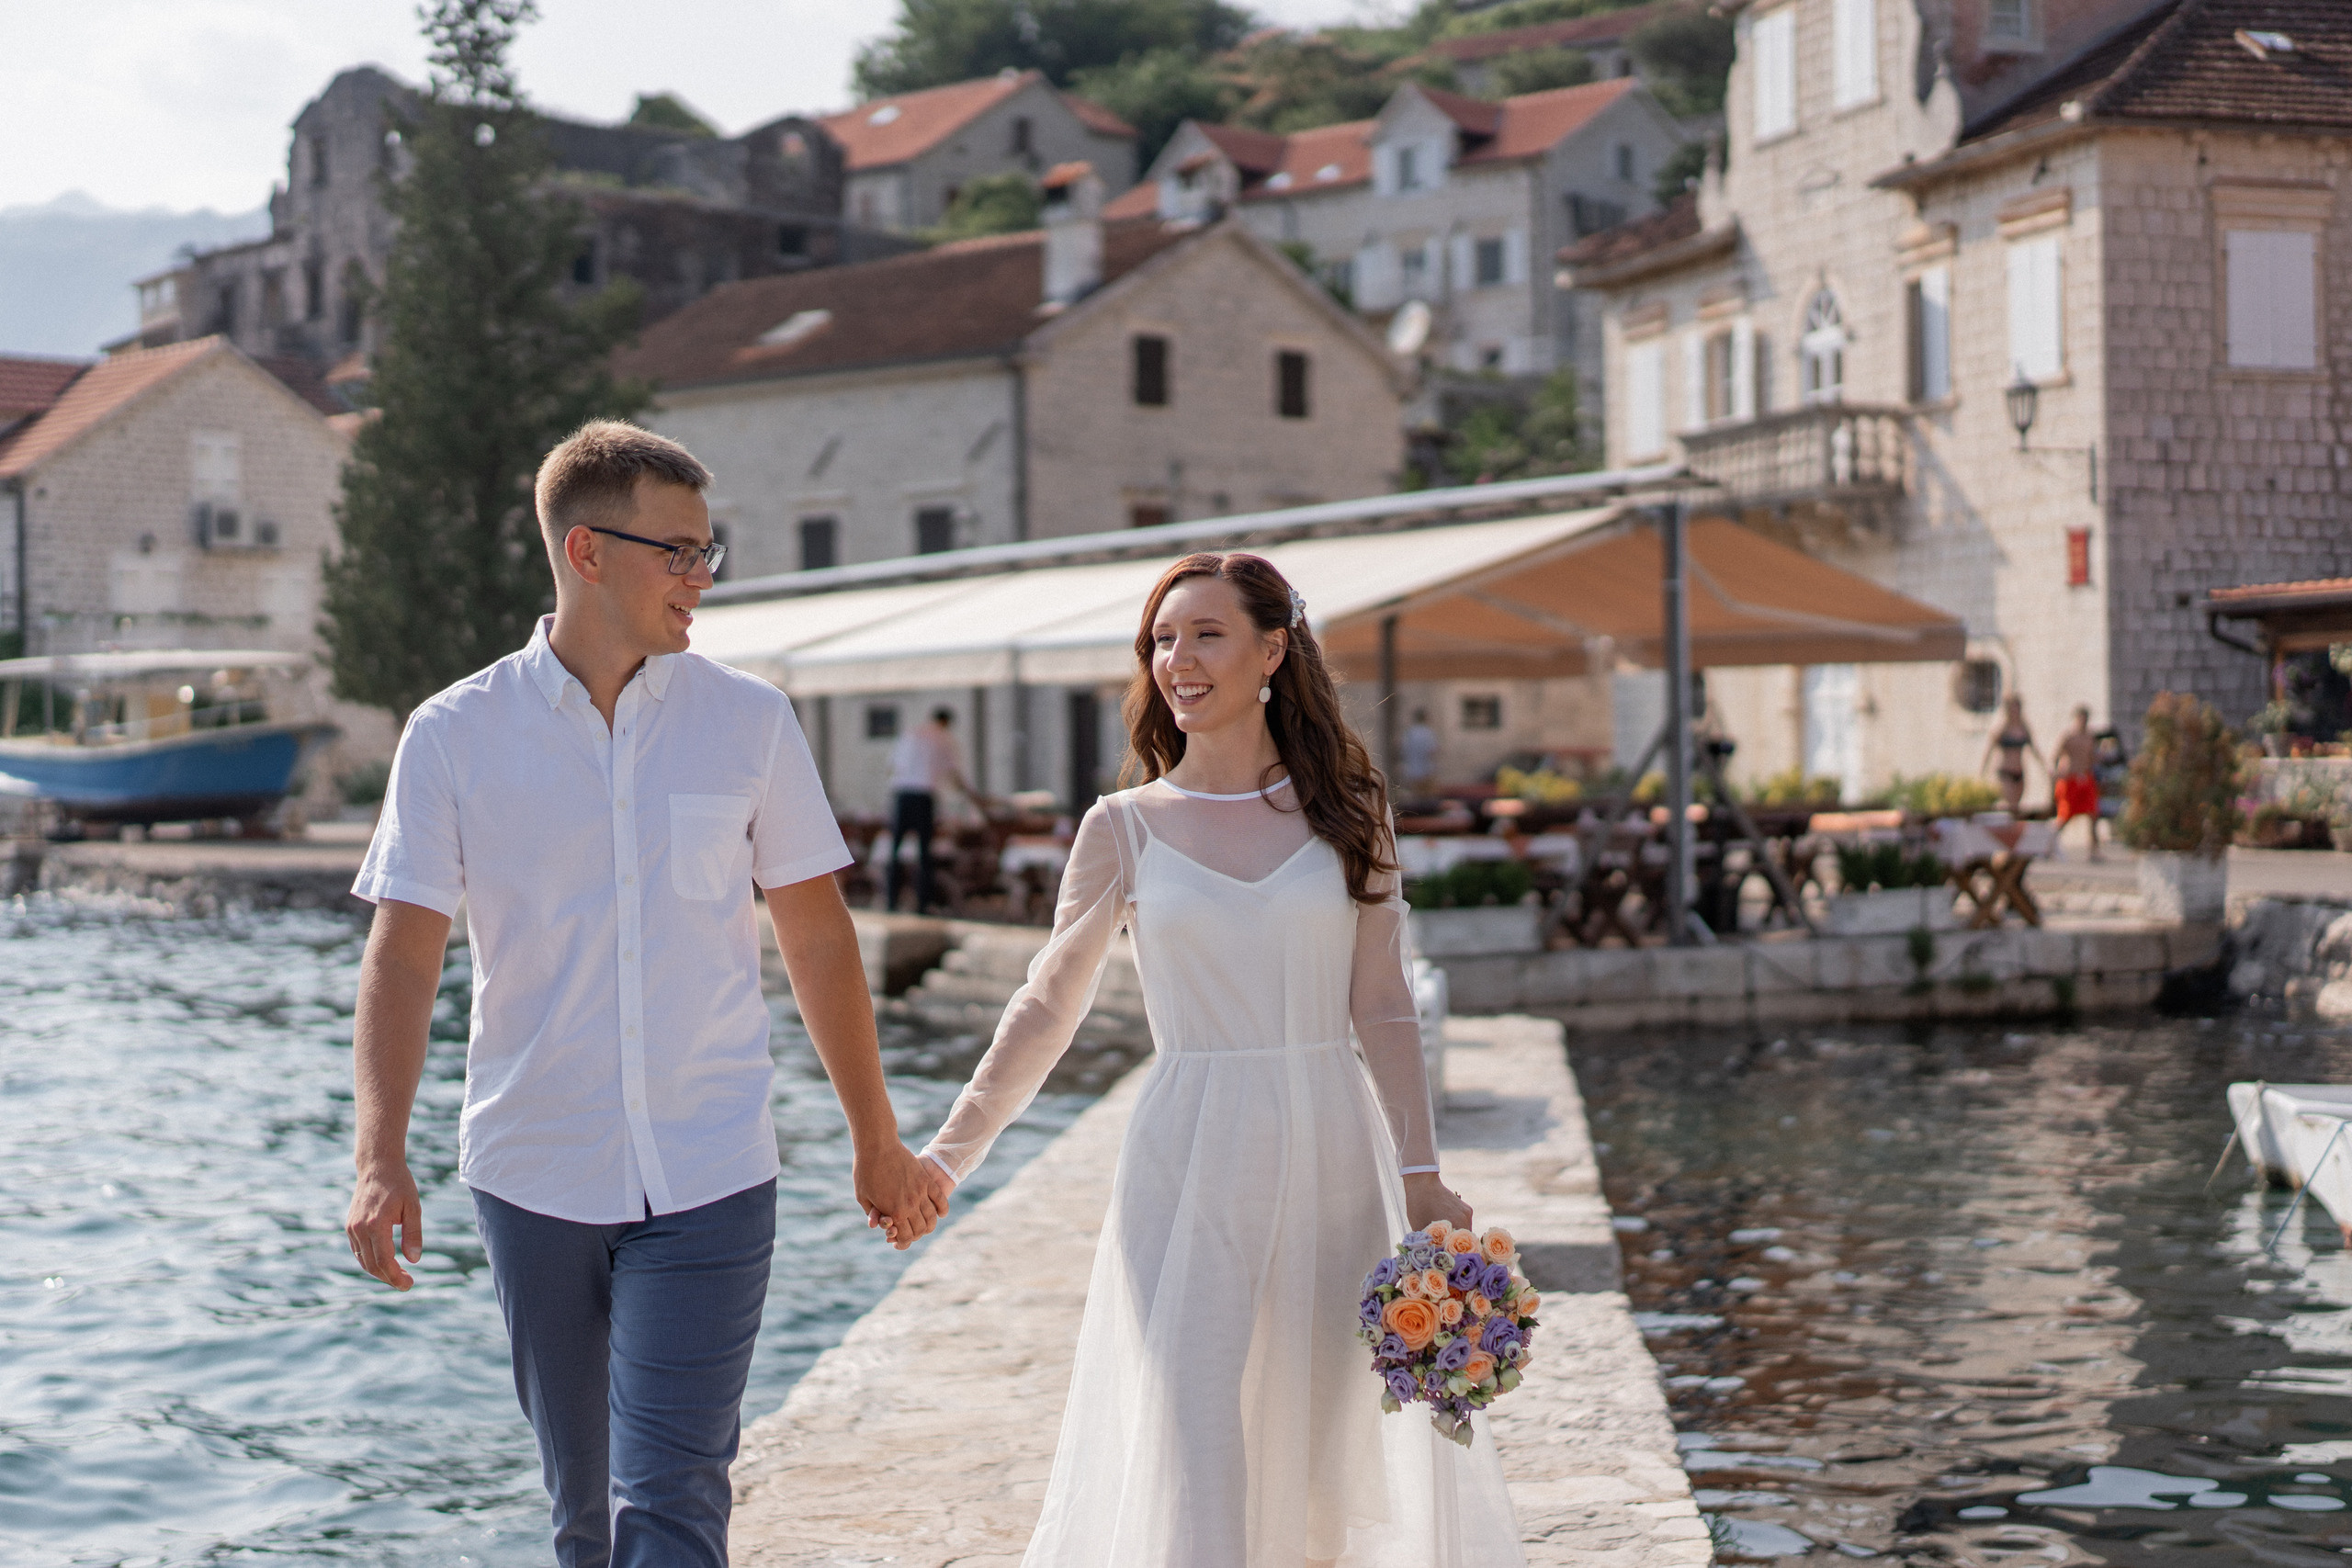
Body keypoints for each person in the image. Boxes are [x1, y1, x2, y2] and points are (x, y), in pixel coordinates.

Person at [343, 421, 943, 1568]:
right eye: (677, 552)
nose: (699, 579)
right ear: (586, 553)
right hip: (533, 1174)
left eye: (708, 553)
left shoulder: (750, 721)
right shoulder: (454, 735)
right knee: (583, 1517)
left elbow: (815, 940)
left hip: (713, 1172)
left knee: (669, 1502)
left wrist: (878, 1138)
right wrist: (380, 1154)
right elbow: (405, 955)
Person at [914, 553, 1524, 1566]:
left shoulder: (1349, 811)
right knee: (1196, 1436)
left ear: (1272, 651)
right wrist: (947, 1157)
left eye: (1204, 634)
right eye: (1160, 639)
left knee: (1323, 1453)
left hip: (1331, 1151)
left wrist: (1420, 1172)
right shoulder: (1123, 828)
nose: (1176, 660)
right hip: (1187, 1156)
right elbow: (1046, 1007)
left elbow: (1382, 1002)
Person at [885, 706, 976, 913]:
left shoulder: (910, 733)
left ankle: (891, 900)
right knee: (924, 853)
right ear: (946, 722)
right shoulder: (944, 739)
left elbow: (891, 767)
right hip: (923, 795)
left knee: (895, 850)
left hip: (901, 794)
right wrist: (971, 795)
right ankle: (922, 904)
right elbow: (953, 773)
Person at [2052, 705, 2103, 859]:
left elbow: (2092, 758)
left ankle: (2094, 851)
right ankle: (2048, 843)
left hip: (2085, 778)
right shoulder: (2069, 736)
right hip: (2071, 778)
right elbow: (2056, 756)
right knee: (2065, 815)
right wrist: (2058, 773)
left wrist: (2100, 756)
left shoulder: (2090, 737)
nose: (2084, 721)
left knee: (2093, 814)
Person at [1980, 694, 2045, 814]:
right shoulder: (2002, 728)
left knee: (2016, 808)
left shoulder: (2024, 728)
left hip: (2019, 772)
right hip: (2006, 771)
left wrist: (2044, 767)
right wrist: (1983, 772)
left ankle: (2012, 829)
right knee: (2010, 806)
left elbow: (2034, 749)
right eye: (2012, 708)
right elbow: (1989, 750)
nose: (2015, 711)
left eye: (2017, 708)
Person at [1399, 706, 1440, 797]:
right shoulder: (1428, 732)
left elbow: (1403, 751)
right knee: (1427, 797)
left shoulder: (1409, 733)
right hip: (1427, 770)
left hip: (1412, 770)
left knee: (1416, 797)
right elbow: (1432, 751)